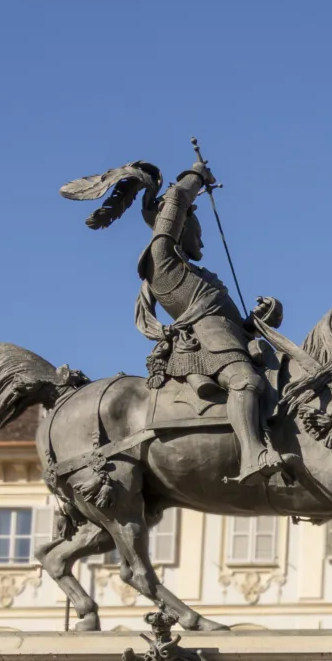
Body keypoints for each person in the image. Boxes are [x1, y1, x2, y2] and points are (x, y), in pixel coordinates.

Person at [138, 162, 285, 483]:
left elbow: (237, 324)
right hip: (206, 342)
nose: (202, 244)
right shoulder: (164, 268)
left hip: (230, 339)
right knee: (245, 381)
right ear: (183, 230)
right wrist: (197, 176)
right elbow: (175, 205)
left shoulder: (204, 278)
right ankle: (252, 453)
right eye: (199, 236)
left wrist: (260, 319)